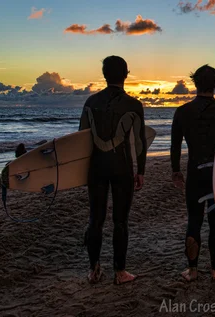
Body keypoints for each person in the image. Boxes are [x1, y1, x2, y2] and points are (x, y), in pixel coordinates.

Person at [170, 64, 215, 282]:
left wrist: (176, 171)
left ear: (195, 83)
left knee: (194, 220)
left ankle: (192, 271)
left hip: (194, 173)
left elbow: (175, 146)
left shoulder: (182, 112)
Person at [79, 56, 147, 285]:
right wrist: (141, 171)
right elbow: (139, 142)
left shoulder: (90, 102)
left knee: (95, 219)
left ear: (104, 74)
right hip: (122, 167)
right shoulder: (134, 105)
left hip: (96, 167)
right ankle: (120, 273)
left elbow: (81, 139)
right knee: (120, 221)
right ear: (126, 74)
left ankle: (94, 270)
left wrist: (80, 173)